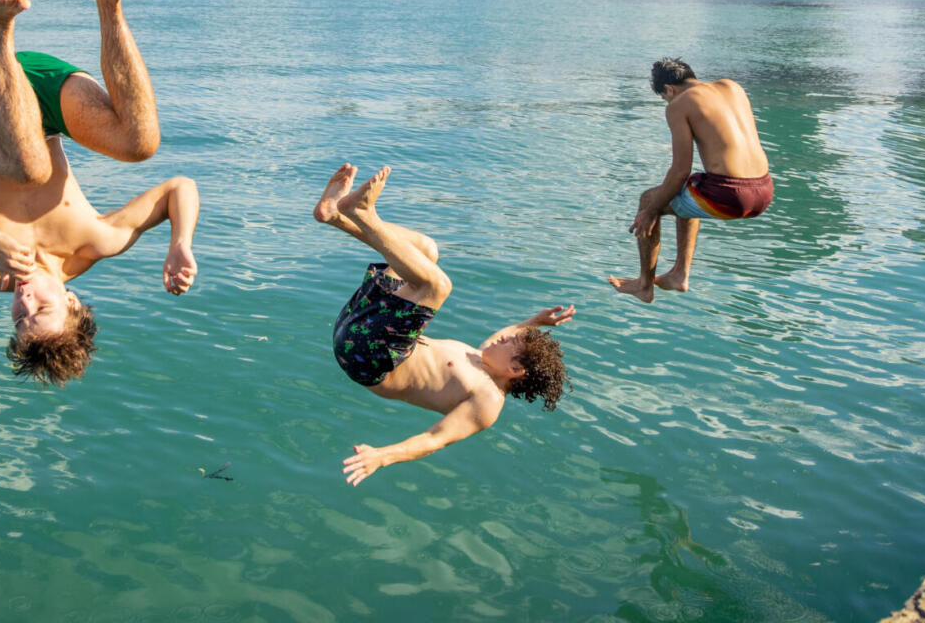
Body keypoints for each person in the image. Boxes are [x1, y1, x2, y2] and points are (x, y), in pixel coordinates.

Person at [0, 0, 200, 386]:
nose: (24, 304)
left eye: (19, 320)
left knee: (31, 168)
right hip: (36, 99)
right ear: (71, 301)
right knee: (140, 143)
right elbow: (179, 188)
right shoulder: (95, 242)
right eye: (41, 310)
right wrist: (180, 243)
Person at [313, 163, 573, 485]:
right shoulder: (481, 358)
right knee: (426, 249)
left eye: (511, 344)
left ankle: (363, 213)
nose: (504, 338)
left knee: (438, 286)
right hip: (362, 329)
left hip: (369, 358)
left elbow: (435, 438)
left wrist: (383, 456)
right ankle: (336, 215)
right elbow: (507, 334)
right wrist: (534, 321)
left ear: (516, 369)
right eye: (510, 338)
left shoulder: (487, 401)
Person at [608, 57, 772, 304]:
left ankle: (644, 285)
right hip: (765, 191)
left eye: (665, 98)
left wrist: (649, 212)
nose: (668, 103)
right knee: (690, 188)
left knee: (649, 199)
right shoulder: (732, 87)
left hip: (730, 196)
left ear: (669, 89)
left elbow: (679, 171)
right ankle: (679, 274)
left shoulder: (679, 104)